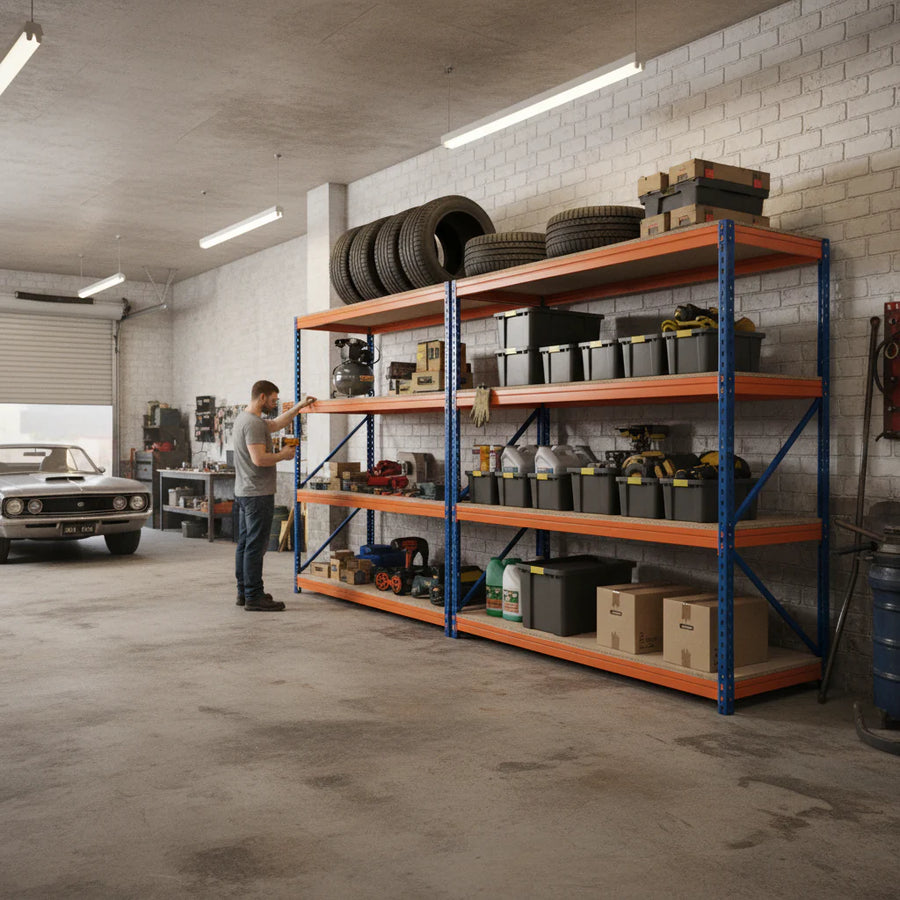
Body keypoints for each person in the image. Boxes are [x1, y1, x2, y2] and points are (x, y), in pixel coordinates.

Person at [232, 380, 316, 611]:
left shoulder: (246, 419)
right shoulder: (253, 424)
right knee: (255, 547)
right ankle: (254, 597)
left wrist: (299, 406)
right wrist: (283, 455)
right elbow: (259, 459)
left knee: (245, 544)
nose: (274, 403)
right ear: (262, 397)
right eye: (272, 400)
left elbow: (278, 423)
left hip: (245, 492)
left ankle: (244, 592)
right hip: (257, 493)